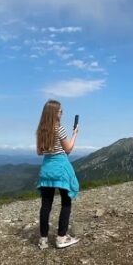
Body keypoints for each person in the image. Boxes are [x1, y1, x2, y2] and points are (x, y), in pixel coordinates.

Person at [35, 99, 80, 249]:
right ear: (55, 112)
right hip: (60, 169)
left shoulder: (41, 130)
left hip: (46, 170)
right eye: (61, 111)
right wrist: (75, 134)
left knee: (46, 205)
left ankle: (43, 240)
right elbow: (68, 150)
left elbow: (39, 152)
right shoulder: (59, 129)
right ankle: (61, 238)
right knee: (66, 202)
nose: (62, 113)